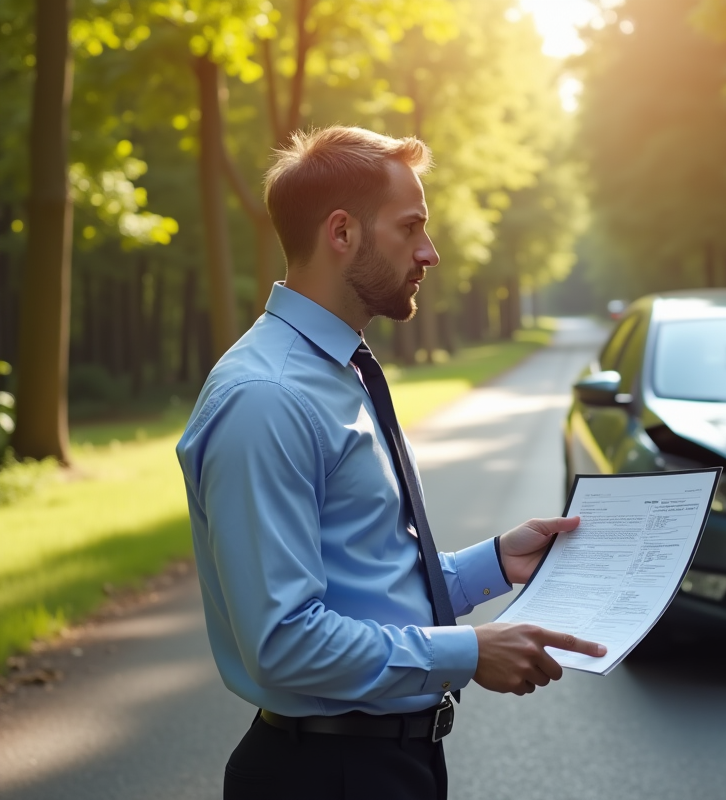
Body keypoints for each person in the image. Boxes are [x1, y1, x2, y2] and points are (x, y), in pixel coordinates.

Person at [176, 125, 606, 800]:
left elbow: (367, 578)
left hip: (384, 766)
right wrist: (470, 653)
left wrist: (494, 563)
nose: (430, 253)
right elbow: (283, 641)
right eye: (411, 228)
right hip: (325, 775)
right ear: (341, 233)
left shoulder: (336, 372)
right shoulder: (268, 397)